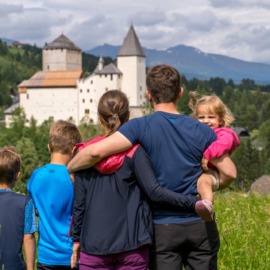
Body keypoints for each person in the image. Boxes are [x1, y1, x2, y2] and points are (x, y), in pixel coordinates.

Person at [68, 65, 237, 270]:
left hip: (163, 228)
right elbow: (229, 172)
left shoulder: (140, 126)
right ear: (180, 93)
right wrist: (212, 183)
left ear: (149, 95)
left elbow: (95, 153)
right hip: (201, 225)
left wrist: (71, 167)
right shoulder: (201, 130)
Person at [71, 90, 201, 270]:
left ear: (100, 118)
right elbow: (154, 192)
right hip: (133, 245)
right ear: (129, 116)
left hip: (94, 246)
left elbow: (79, 205)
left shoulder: (85, 155)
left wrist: (76, 239)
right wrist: (193, 201)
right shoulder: (137, 152)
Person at [27, 120, 82, 270]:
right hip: (72, 256)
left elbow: (34, 211)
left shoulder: (36, 177)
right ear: (74, 150)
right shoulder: (77, 178)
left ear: (49, 147)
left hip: (46, 257)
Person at [189, 92, 240, 221]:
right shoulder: (196, 132)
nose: (206, 121)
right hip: (198, 169)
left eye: (211, 117)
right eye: (201, 117)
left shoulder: (224, 133)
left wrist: (208, 154)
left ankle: (207, 206)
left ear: (221, 119)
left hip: (212, 171)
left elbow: (225, 143)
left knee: (204, 182)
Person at [0, 146, 37, 270]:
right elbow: (28, 238)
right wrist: (31, 268)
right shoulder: (25, 202)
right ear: (17, 175)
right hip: (15, 265)